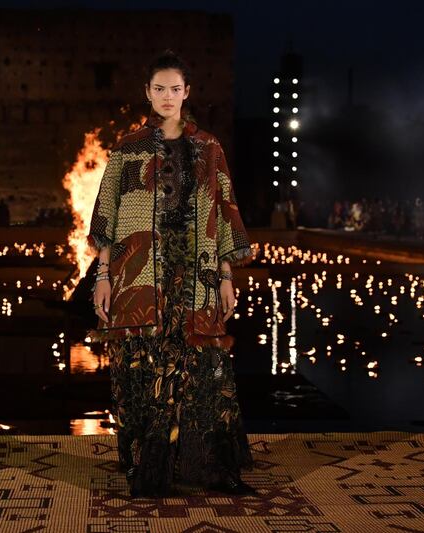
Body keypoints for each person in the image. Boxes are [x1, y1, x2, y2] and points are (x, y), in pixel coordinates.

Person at [86, 50, 256, 498]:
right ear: (147, 93)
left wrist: (226, 276)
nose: (166, 96)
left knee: (204, 369)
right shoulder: (127, 150)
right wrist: (102, 276)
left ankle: (210, 466)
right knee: (146, 367)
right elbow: (107, 214)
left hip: (196, 276)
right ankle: (151, 466)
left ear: (186, 93)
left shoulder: (209, 148)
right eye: (158, 89)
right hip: (141, 277)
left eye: (174, 89)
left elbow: (222, 213)